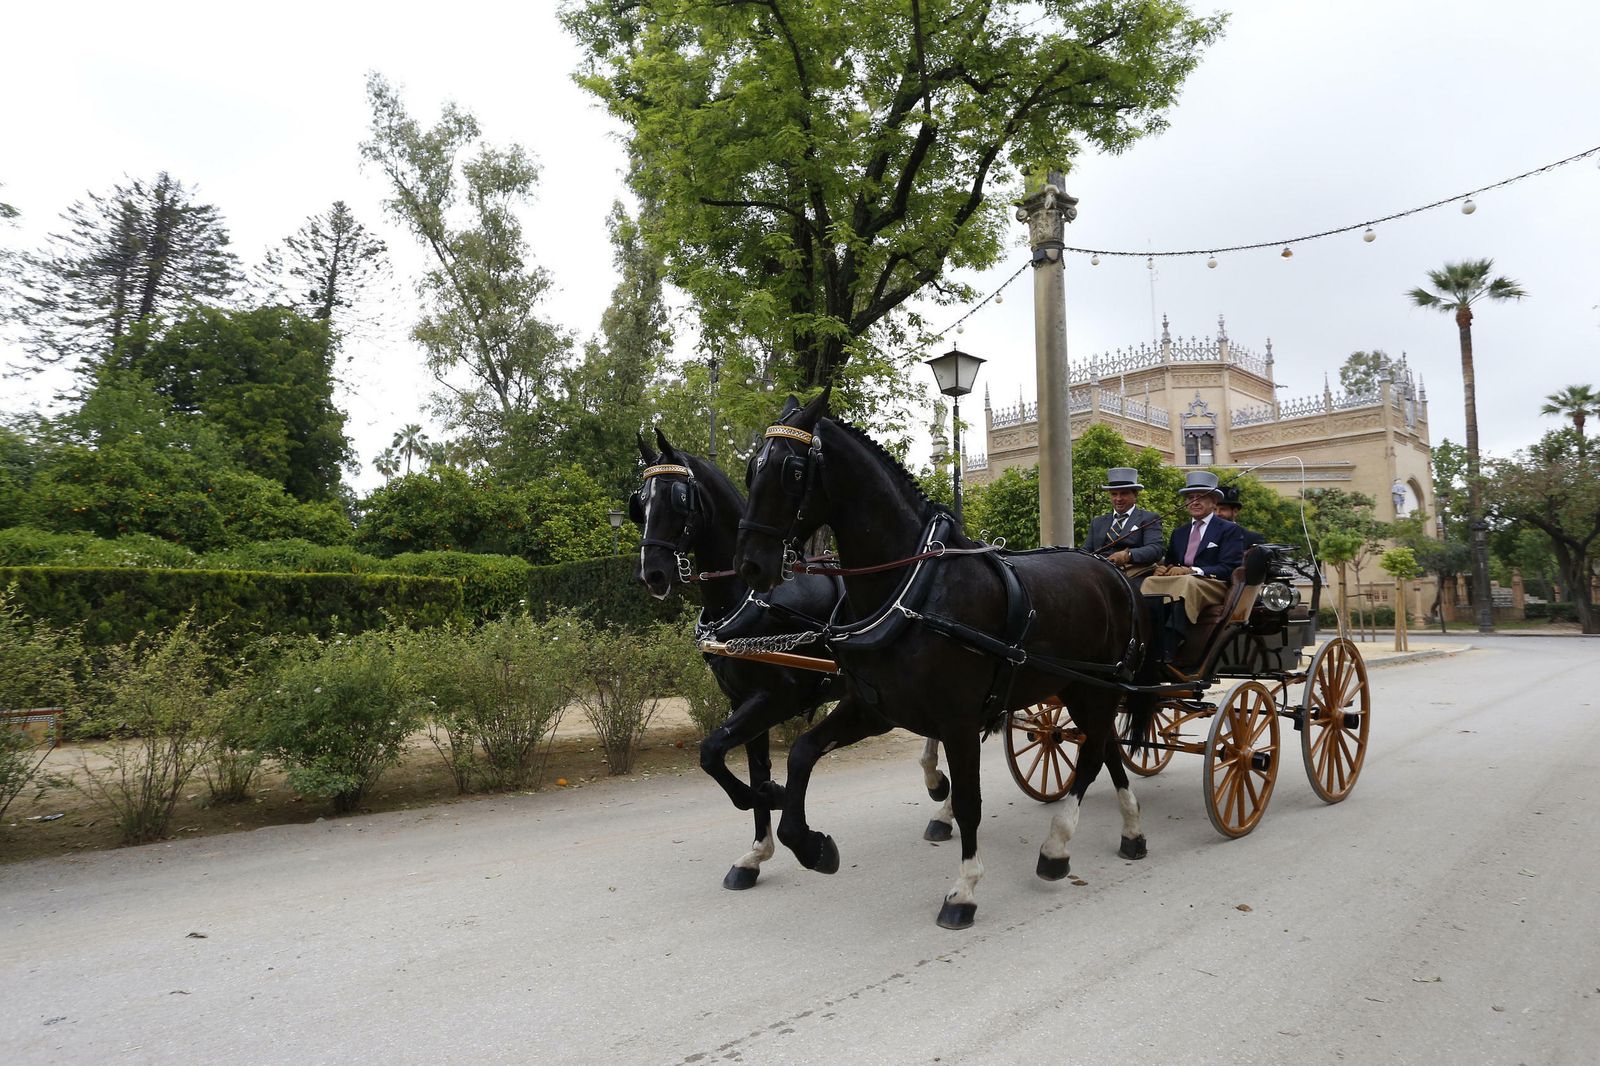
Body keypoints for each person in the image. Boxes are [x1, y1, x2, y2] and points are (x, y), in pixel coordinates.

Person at [1141, 470, 1246, 637]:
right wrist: (1163, 570)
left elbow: (1229, 568)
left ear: (1214, 502)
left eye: (1201, 497)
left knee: (1188, 583)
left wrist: (1193, 570)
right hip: (1182, 581)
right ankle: (1146, 633)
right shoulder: (1179, 532)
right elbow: (1171, 563)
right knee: (1150, 582)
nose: (1194, 502)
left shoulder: (1229, 530)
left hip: (1212, 584)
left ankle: (1171, 641)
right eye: (1191, 498)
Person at [1085, 467, 1163, 582]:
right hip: (1098, 574)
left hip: (1133, 575)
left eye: (1124, 493)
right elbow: (1086, 551)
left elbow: (1155, 549)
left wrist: (1128, 555)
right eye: (1114, 494)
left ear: (1135, 495)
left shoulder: (1149, 518)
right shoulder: (1097, 522)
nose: (1118, 499)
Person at [1215, 484, 1266, 551]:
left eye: (1223, 509)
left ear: (1235, 512)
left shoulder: (1252, 539)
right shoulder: (1203, 535)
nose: (1217, 513)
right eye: (1214, 509)